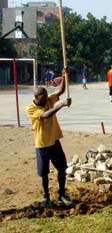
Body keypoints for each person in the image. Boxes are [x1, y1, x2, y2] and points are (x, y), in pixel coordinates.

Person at [26, 68, 73, 208]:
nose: (47, 100)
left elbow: (60, 91)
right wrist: (61, 105)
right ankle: (46, 197)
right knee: (44, 174)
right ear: (36, 98)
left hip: (54, 141)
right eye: (43, 99)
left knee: (62, 168)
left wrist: (64, 77)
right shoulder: (30, 108)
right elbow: (46, 116)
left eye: (47, 97)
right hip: (42, 145)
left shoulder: (47, 100)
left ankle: (62, 193)